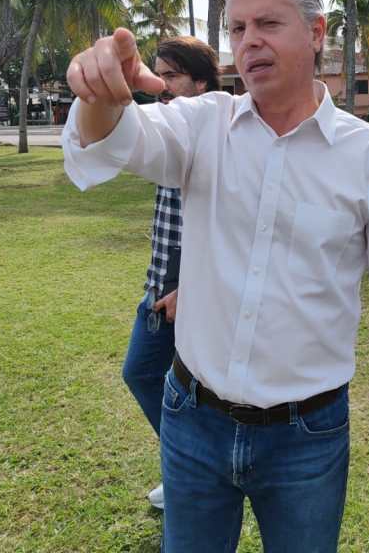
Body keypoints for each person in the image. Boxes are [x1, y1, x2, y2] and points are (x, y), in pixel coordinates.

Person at [62, 0, 369, 553]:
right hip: (192, 417)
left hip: (307, 436)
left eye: (268, 23)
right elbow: (111, 142)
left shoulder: (367, 157)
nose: (249, 42)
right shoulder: (202, 125)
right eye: (237, 29)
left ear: (317, 34)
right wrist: (98, 92)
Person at [120, 36, 220, 510]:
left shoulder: (222, 136)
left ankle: (197, 473)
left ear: (201, 82)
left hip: (195, 293)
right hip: (160, 284)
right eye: (157, 74)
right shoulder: (168, 130)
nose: (161, 85)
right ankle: (187, 466)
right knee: (141, 372)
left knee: (195, 392)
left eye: (172, 76)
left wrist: (192, 287)